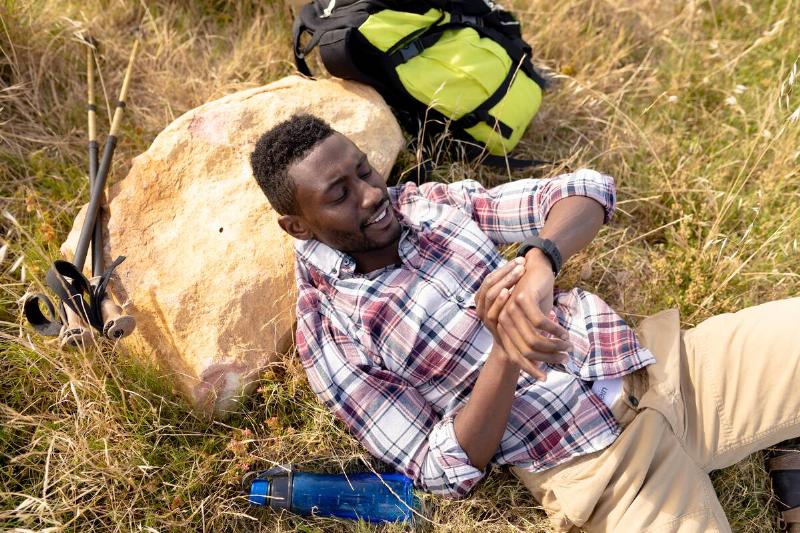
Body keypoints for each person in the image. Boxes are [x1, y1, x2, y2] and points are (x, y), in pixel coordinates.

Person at [249, 114, 800, 532]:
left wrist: (542, 261)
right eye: (339, 195)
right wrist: (505, 355)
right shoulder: (329, 335)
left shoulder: (430, 205)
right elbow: (440, 469)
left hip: (664, 369)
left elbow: (585, 189)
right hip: (599, 470)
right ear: (297, 225)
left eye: (363, 170)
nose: (371, 195)